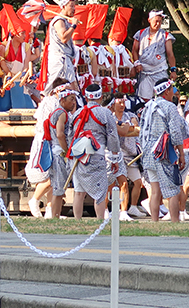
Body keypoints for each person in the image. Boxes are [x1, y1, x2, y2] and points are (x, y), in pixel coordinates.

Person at [69, 83, 122, 221]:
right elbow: (112, 135)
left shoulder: (77, 113)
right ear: (100, 97)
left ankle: (77, 221)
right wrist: (115, 157)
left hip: (78, 155)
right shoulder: (105, 113)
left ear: (86, 97)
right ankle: (99, 221)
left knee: (79, 192)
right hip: (97, 154)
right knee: (99, 193)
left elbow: (70, 134)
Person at [139, 78, 189, 221]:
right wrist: (181, 154)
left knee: (155, 191)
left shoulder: (148, 106)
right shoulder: (170, 107)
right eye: (172, 89)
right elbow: (175, 132)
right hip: (164, 151)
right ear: (166, 91)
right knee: (172, 190)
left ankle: (155, 221)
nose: (173, 92)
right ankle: (174, 221)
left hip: (149, 150)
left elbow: (142, 131)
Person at [25, 78, 68, 217]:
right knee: (48, 177)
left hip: (51, 140)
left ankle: (50, 210)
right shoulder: (51, 102)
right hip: (45, 140)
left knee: (55, 177)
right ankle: (34, 200)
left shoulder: (56, 102)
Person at [109, 93, 144, 219]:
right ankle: (110, 209)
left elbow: (135, 127)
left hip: (130, 153)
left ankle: (132, 207)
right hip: (115, 153)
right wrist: (126, 127)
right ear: (113, 104)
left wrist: (125, 126)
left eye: (123, 102)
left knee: (137, 182)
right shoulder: (110, 116)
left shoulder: (129, 115)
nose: (122, 105)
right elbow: (124, 130)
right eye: (119, 103)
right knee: (114, 184)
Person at [45, 88, 78, 219]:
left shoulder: (56, 112)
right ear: (62, 100)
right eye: (71, 99)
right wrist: (66, 151)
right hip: (59, 153)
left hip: (54, 151)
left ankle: (55, 215)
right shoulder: (61, 113)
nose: (73, 103)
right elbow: (60, 134)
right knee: (59, 189)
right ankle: (55, 216)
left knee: (57, 188)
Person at [132, 10, 176, 101]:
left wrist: (173, 70)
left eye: (160, 21)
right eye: (156, 21)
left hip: (160, 69)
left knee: (164, 95)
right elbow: (134, 50)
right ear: (149, 20)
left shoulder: (166, 35)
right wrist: (137, 63)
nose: (158, 24)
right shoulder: (140, 34)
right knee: (144, 97)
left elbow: (170, 53)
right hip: (145, 71)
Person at [44, 0, 80, 93]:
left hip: (66, 59)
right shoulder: (58, 20)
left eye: (74, 6)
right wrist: (73, 26)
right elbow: (63, 38)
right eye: (71, 6)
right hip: (60, 59)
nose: (74, 9)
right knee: (54, 86)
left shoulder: (64, 21)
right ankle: (44, 100)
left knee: (72, 88)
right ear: (63, 6)